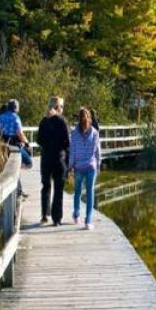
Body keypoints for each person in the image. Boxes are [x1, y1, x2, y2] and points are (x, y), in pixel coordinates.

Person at [36, 96, 70, 225]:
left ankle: (44, 215)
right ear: (58, 107)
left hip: (46, 159)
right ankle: (56, 218)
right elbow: (68, 142)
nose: (63, 109)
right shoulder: (62, 121)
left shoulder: (43, 121)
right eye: (62, 106)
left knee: (45, 186)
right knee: (58, 189)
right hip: (59, 159)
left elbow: (39, 141)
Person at [69, 107, 101, 230]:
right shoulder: (95, 132)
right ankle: (88, 221)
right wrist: (98, 165)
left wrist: (70, 166)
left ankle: (76, 214)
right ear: (90, 119)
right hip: (91, 166)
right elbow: (98, 152)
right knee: (90, 193)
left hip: (78, 167)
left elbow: (72, 152)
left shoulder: (74, 134)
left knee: (77, 192)